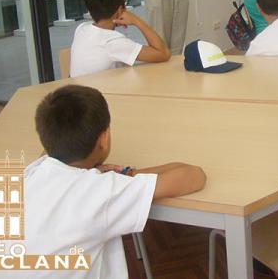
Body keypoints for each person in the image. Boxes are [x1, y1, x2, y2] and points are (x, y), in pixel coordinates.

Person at [19, 84, 206, 279]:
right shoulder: (100, 191)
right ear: (104, 138)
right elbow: (193, 177)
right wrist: (127, 174)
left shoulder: (29, 174)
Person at [70, 0, 171, 78]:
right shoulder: (113, 42)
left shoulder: (81, 29)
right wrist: (137, 21)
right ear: (119, 10)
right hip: (102, 92)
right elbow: (163, 53)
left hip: (80, 91)